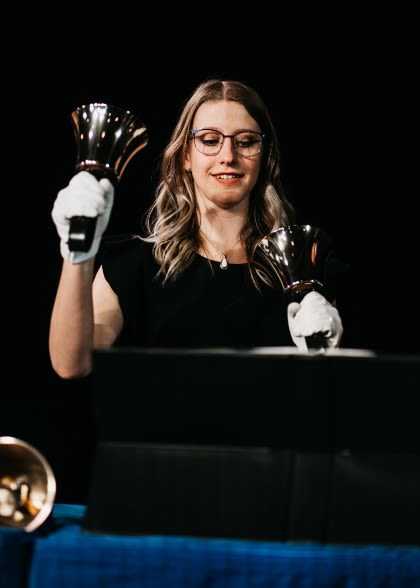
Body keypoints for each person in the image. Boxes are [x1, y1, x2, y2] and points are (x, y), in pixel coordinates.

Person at [49, 78, 344, 380]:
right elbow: (71, 363)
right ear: (185, 156)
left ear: (264, 156)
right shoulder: (132, 264)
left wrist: (324, 353)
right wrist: (78, 252)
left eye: (246, 141)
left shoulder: (305, 270)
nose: (228, 156)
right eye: (209, 140)